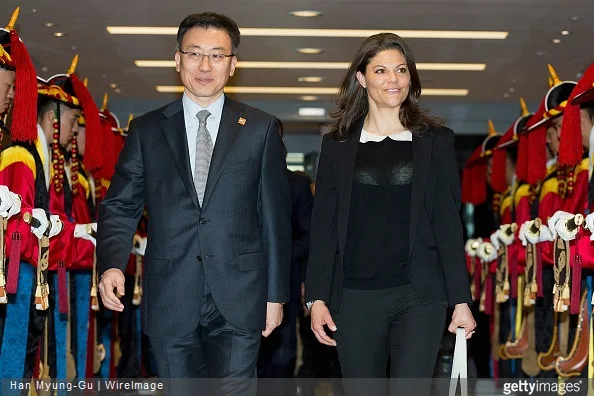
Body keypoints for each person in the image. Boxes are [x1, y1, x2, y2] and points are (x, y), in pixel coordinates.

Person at [96, 12, 291, 395]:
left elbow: (274, 218)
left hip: (241, 295)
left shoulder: (260, 129)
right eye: (195, 53)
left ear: (233, 64)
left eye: (217, 55)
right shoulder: (147, 130)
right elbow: (120, 205)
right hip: (171, 293)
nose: (205, 65)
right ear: (177, 59)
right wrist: (111, 265)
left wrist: (275, 295)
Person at [304, 33, 476, 395]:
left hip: (419, 295)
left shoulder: (436, 141)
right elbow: (323, 229)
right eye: (380, 70)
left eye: (400, 70)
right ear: (362, 78)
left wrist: (461, 301)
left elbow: (448, 223)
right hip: (353, 297)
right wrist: (316, 298)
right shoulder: (337, 145)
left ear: (411, 77)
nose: (392, 79)